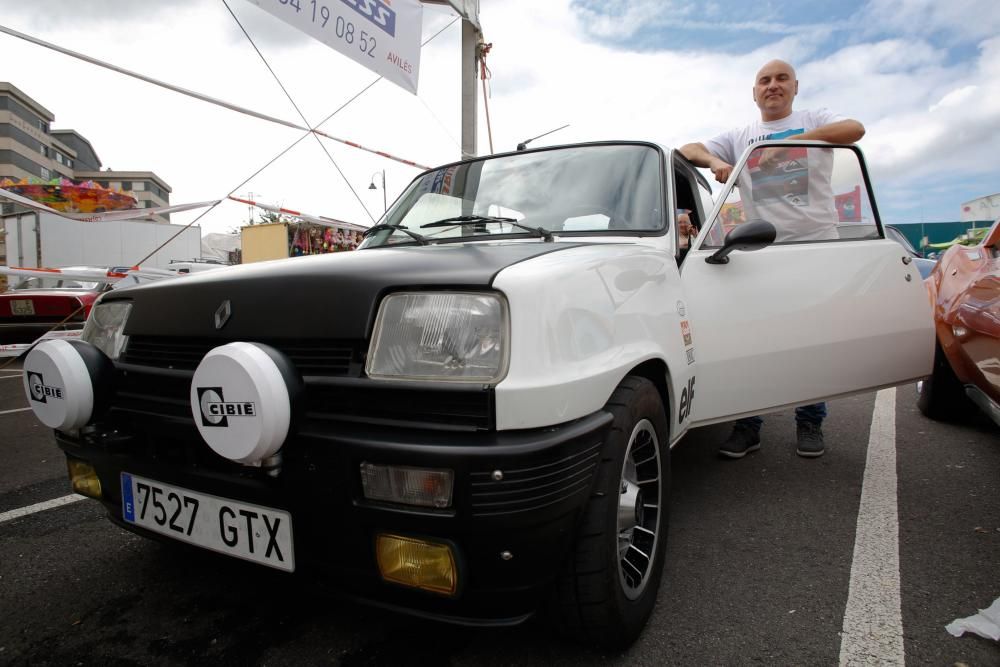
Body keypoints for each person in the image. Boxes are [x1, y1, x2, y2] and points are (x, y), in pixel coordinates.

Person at [679, 59, 865, 459]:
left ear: (795, 87)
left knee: (812, 338)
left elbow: (854, 130)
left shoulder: (814, 117)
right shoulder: (742, 134)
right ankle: (749, 425)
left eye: (782, 79)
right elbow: (687, 149)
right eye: (764, 80)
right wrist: (716, 162)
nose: (773, 85)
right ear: (754, 92)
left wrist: (792, 146)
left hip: (816, 245)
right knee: (755, 338)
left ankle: (810, 419)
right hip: (760, 246)